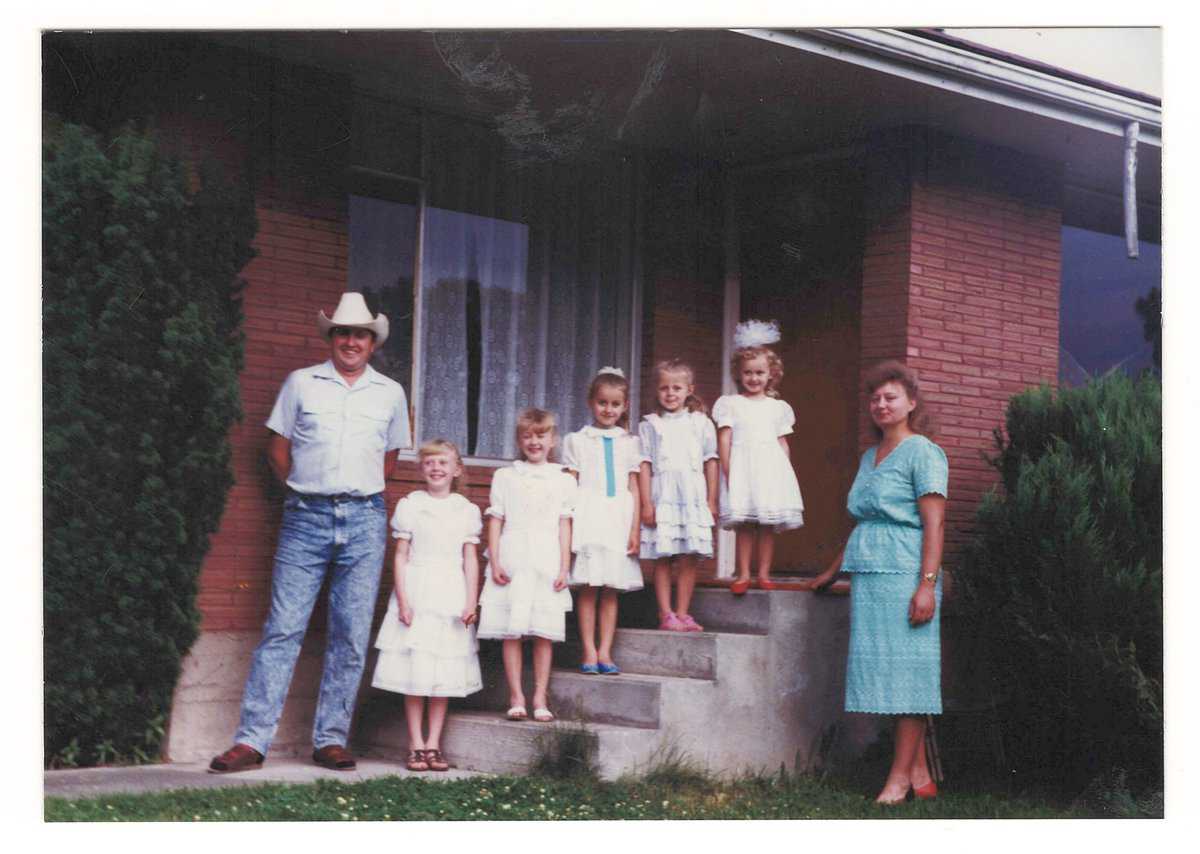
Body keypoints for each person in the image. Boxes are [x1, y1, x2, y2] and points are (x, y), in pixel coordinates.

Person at [209, 292, 411, 774]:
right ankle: (251, 741)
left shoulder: (390, 392)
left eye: (359, 334)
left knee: (350, 632)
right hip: (306, 518)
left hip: (364, 521)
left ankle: (330, 740)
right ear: (331, 337)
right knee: (283, 628)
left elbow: (387, 458)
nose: (350, 341)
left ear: (372, 342)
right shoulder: (301, 383)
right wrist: (301, 492)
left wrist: (355, 491)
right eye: (342, 332)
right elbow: (276, 447)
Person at [811, 360, 947, 805]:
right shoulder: (870, 457)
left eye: (891, 397)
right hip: (870, 578)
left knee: (909, 679)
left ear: (911, 403)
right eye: (875, 398)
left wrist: (926, 584)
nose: (881, 404)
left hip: (906, 575)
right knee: (890, 679)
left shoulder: (923, 452)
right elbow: (863, 521)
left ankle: (899, 779)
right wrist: (833, 571)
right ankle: (920, 770)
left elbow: (935, 525)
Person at [370, 439, 482, 773]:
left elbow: (470, 560)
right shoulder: (411, 505)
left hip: (450, 594)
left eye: (443, 463)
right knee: (416, 669)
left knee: (442, 670)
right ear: (422, 468)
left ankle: (434, 744)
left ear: (456, 469)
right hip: (417, 592)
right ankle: (415, 745)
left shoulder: (466, 509)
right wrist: (403, 601)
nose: (436, 468)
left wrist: (470, 600)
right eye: (430, 463)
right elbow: (401, 555)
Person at [477, 409, 576, 723]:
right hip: (513, 555)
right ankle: (516, 695)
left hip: (546, 557)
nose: (534, 441)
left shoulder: (563, 479)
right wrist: (494, 560)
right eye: (528, 436)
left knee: (544, 632)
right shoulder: (506, 476)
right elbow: (495, 520)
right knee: (513, 631)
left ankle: (540, 696)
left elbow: (564, 526)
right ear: (520, 440)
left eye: (541, 435)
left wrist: (564, 567)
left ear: (552, 440)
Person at [712, 320, 804, 594]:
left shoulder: (778, 408)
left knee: (767, 524)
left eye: (760, 373)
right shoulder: (731, 404)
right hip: (742, 469)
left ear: (771, 374)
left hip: (768, 470)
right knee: (745, 524)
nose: (754, 378)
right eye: (748, 373)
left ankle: (763, 573)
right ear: (739, 374)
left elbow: (782, 443)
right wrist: (729, 471)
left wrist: (783, 474)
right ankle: (742, 574)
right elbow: (725, 439)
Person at [564, 367, 643, 674]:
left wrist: (635, 528)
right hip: (589, 515)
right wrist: (568, 525)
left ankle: (606, 651)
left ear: (624, 407)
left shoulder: (630, 442)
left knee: (611, 588)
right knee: (589, 586)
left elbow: (634, 487)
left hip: (618, 519)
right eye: (602, 402)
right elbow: (570, 483)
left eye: (615, 404)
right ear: (591, 402)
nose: (608, 409)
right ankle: (588, 649)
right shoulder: (577, 440)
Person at [638, 359, 719, 631]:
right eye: (664, 388)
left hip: (693, 496)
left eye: (676, 388)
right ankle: (666, 613)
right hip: (663, 495)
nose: (670, 394)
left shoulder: (701, 423)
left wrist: (711, 499)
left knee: (688, 556)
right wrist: (647, 503)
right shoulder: (650, 424)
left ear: (689, 390)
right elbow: (645, 465)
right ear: (656, 391)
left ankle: (683, 612)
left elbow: (711, 461)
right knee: (663, 556)